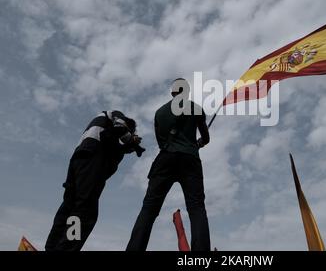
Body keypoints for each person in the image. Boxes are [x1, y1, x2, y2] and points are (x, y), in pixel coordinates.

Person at [126, 78, 211, 251]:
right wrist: (198, 143)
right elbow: (206, 138)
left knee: (149, 209)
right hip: (191, 159)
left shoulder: (159, 113)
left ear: (172, 92)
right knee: (196, 209)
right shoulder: (196, 108)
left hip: (165, 159)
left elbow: (161, 143)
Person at [45, 110, 145, 251]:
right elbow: (119, 130)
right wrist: (131, 139)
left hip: (78, 161)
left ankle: (52, 247)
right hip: (91, 161)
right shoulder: (116, 115)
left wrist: (129, 147)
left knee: (68, 207)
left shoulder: (99, 129)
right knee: (85, 211)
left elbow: (112, 142)